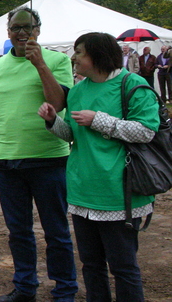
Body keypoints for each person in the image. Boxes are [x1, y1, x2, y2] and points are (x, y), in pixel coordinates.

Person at [38, 32, 158, 302]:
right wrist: (52, 121)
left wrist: (99, 120)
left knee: (123, 267)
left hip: (118, 192)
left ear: (98, 54)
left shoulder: (132, 85)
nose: (74, 57)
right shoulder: (78, 90)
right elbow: (73, 135)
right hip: (82, 191)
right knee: (91, 265)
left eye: (79, 52)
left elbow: (147, 131)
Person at [0, 6, 78, 302]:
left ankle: (65, 290)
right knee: (18, 232)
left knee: (56, 231)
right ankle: (24, 288)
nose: (21, 33)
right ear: (7, 32)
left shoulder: (57, 60)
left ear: (38, 30)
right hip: (6, 162)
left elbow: (59, 103)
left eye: (27, 28)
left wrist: (40, 65)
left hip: (49, 159)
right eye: (15, 28)